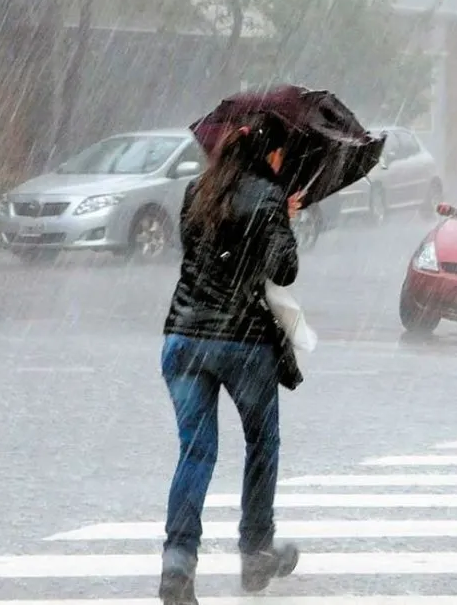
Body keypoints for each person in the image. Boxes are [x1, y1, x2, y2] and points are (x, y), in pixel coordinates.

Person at [158, 112, 303, 605]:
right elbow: (284, 268)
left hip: (182, 338)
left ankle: (178, 561)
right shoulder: (267, 197)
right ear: (269, 153)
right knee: (262, 443)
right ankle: (256, 552)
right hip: (242, 343)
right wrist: (282, 215)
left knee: (195, 451)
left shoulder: (196, 191)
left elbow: (202, 252)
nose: (284, 162)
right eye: (282, 154)